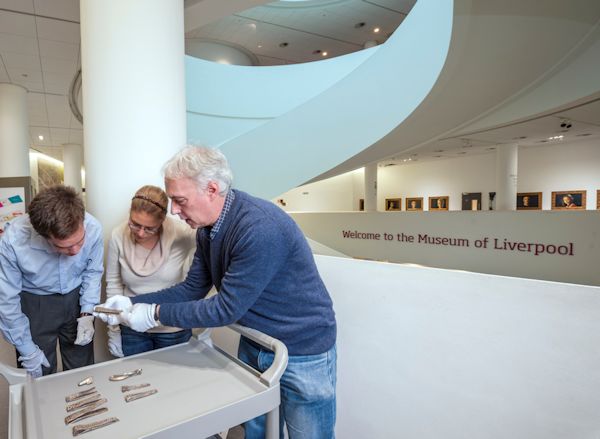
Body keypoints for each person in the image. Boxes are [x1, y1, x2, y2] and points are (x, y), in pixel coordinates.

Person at [96, 146, 337, 439]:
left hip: (301, 348)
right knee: (255, 429)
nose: (173, 210)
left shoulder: (259, 228)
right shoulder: (207, 230)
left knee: (309, 434)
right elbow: (192, 289)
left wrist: (153, 314)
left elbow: (225, 309)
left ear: (211, 189)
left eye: (179, 200)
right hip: (257, 340)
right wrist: (131, 303)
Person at [0, 185, 103, 377]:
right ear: (43, 236)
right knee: (39, 372)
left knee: (82, 366)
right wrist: (25, 347)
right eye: (64, 247)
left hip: (76, 298)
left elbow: (93, 271)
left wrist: (88, 311)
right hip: (35, 303)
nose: (75, 251)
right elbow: (6, 299)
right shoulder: (13, 240)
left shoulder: (93, 227)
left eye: (80, 242)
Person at [105, 185, 196, 357]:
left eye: (149, 228)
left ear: (162, 221)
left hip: (173, 328)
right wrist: (114, 330)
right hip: (131, 328)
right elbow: (114, 284)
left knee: (174, 382)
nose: (140, 233)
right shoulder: (118, 235)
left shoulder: (182, 233)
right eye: (135, 224)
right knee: (134, 379)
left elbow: (212, 239)